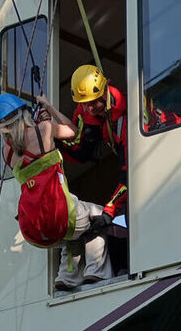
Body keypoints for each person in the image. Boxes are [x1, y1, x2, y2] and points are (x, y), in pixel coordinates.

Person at [0, 93, 113, 290]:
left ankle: (67, 276)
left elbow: (23, 145)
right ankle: (96, 271)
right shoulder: (44, 130)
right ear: (24, 114)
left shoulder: (7, 152)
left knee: (69, 233)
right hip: (60, 214)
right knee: (98, 215)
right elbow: (74, 132)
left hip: (35, 229)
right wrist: (49, 108)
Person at [48, 65, 128, 231]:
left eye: (93, 102)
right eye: (84, 104)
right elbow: (79, 149)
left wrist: (108, 213)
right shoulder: (86, 110)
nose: (90, 109)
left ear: (105, 90)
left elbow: (128, 176)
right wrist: (54, 141)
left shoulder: (126, 121)